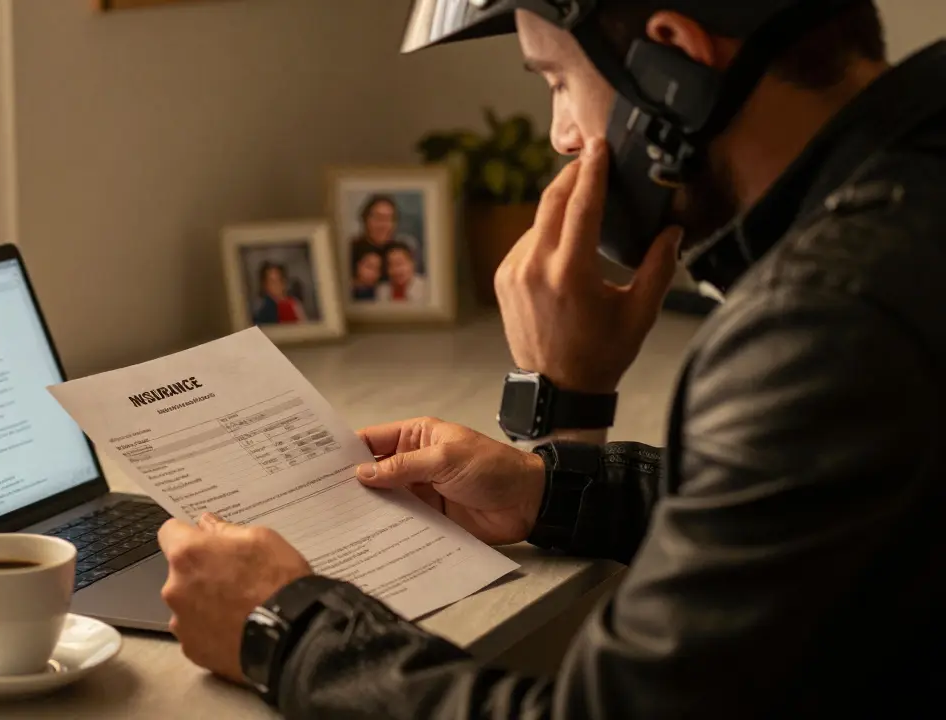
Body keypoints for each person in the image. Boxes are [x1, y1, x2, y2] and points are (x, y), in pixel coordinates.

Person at [160, 1, 946, 718]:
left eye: (559, 82)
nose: (560, 135)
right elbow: (813, 511)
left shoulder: (824, 320)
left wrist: (287, 627)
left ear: (671, 62)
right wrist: (555, 490)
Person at [350, 194, 422, 282]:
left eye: (388, 219)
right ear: (365, 219)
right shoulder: (350, 249)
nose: (383, 225)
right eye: (378, 218)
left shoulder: (403, 249)